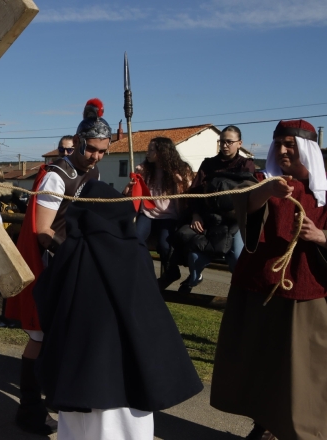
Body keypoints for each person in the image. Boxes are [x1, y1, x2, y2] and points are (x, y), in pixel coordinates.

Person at [34, 179, 203, 439]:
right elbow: (148, 310)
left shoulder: (72, 250)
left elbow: (46, 298)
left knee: (80, 431)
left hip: (79, 369)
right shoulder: (135, 250)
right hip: (130, 370)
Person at [210, 120, 327, 440]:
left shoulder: (324, 189)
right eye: (278, 144)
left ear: (307, 149)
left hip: (306, 288)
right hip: (259, 286)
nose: (283, 150)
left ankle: (296, 430)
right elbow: (243, 203)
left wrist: (320, 236)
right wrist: (268, 191)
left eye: (291, 144)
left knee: (300, 367)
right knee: (260, 360)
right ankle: (264, 424)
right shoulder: (264, 181)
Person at [5, 98, 111, 435]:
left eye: (103, 151)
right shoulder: (57, 176)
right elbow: (42, 230)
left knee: (64, 335)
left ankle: (57, 398)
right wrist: (73, 251)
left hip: (74, 261)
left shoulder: (93, 171)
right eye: (92, 149)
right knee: (41, 335)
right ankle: (29, 408)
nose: (96, 156)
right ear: (79, 142)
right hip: (52, 262)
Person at [179, 125, 255, 293]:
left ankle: (240, 292)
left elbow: (249, 193)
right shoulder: (208, 164)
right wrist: (196, 215)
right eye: (222, 141)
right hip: (209, 218)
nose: (225, 145)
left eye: (229, 142)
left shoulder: (246, 165)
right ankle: (194, 278)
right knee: (193, 251)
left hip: (235, 220)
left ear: (239, 143)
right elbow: (195, 191)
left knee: (237, 256)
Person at [124, 137, 193, 290]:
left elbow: (191, 192)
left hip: (169, 214)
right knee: (136, 239)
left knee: (165, 245)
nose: (147, 153)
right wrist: (130, 186)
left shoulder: (181, 169)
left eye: (151, 150)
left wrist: (180, 182)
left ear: (162, 152)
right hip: (147, 212)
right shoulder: (145, 169)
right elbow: (132, 193)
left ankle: (171, 271)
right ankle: (143, 272)